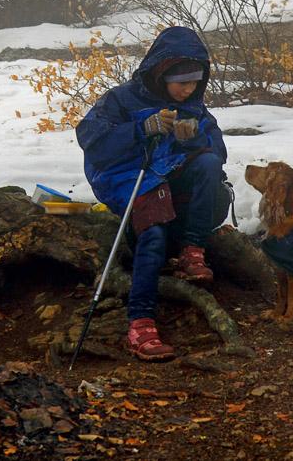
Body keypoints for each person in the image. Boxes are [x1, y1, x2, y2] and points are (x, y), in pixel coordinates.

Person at [76, 26, 227, 361]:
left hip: (168, 172)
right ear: (161, 73)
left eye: (195, 82)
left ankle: (192, 251)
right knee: (154, 233)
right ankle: (140, 323)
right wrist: (142, 129)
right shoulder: (120, 100)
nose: (188, 90)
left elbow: (218, 151)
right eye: (182, 82)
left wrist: (195, 140)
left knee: (208, 164)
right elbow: (92, 141)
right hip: (129, 176)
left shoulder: (194, 107)